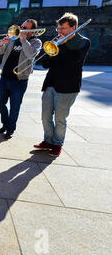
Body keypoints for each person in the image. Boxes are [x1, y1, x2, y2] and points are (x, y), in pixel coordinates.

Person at [34, 13, 91, 156]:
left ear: (73, 27)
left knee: (60, 119)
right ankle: (48, 141)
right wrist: (51, 51)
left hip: (68, 87)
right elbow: (45, 64)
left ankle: (57, 144)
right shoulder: (57, 41)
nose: (59, 32)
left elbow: (74, 62)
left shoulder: (83, 42)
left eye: (63, 28)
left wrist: (62, 46)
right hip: (50, 83)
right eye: (58, 28)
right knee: (45, 116)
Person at [0, 19, 42, 139]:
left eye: (26, 28)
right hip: (4, 78)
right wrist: (1, 43)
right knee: (0, 103)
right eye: (22, 26)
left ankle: (10, 129)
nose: (22, 29)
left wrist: (23, 40)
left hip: (19, 80)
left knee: (15, 106)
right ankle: (6, 123)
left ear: (32, 31)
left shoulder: (36, 42)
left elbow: (31, 55)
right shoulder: (12, 38)